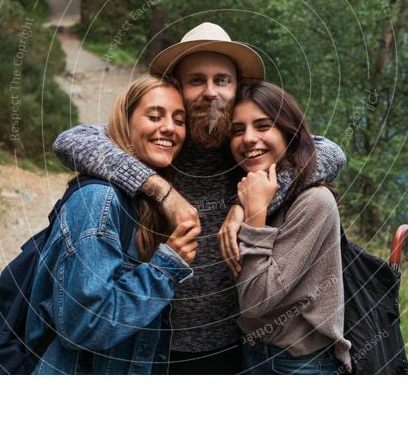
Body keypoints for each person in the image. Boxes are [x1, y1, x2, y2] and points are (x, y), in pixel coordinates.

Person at [52, 22, 346, 374]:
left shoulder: (244, 148)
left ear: (237, 89)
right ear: (179, 86)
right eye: (196, 81)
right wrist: (161, 189)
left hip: (233, 347)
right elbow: (72, 140)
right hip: (151, 343)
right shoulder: (163, 141)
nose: (210, 92)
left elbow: (329, 152)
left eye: (222, 80)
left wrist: (247, 205)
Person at [25, 76, 201, 374]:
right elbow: (83, 325)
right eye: (154, 116)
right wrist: (164, 269)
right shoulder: (99, 199)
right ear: (126, 122)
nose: (169, 127)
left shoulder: (145, 202)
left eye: (179, 120)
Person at [230, 82, 351, 374]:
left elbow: (258, 301)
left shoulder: (314, 202)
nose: (248, 138)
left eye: (263, 126)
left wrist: (254, 215)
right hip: (252, 353)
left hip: (299, 365)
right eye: (237, 130)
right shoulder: (251, 187)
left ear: (288, 131)